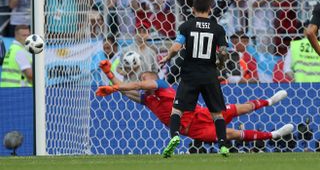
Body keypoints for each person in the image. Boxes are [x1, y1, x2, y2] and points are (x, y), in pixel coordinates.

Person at [96, 60, 294, 151]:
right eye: (141, 78)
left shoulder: (161, 85)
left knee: (240, 108)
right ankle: (274, 135)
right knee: (231, 134)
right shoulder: (148, 100)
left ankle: (269, 101)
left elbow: (138, 85)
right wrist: (110, 76)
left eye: (144, 76)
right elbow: (128, 91)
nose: (141, 80)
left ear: (153, 78)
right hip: (193, 130)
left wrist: (114, 86)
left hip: (202, 114)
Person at [158, 0, 229, 157]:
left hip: (190, 74)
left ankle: (175, 136)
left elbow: (176, 47)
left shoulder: (186, 26)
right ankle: (223, 146)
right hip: (209, 75)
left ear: (192, 9)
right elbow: (224, 52)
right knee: (217, 113)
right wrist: (220, 65)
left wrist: (168, 57)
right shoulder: (218, 28)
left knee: (177, 110)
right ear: (210, 9)